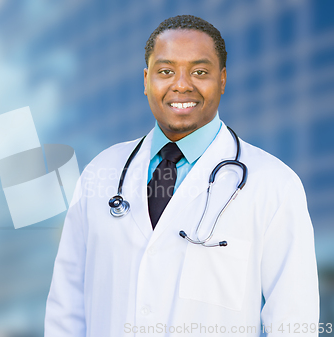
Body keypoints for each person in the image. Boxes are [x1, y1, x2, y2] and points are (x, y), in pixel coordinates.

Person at [44, 15, 319, 337]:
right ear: (146, 80)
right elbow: (67, 302)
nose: (181, 84)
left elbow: (293, 319)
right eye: (166, 71)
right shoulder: (101, 172)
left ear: (223, 80)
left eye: (200, 72)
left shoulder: (274, 184)